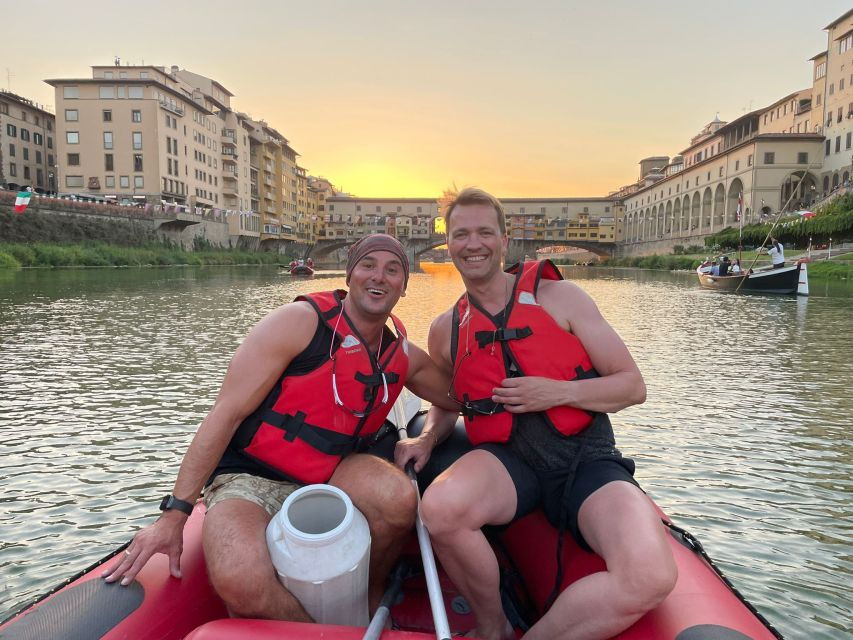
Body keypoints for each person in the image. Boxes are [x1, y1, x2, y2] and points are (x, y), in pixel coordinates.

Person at [103, 234, 459, 622]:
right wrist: (175, 514)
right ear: (349, 274)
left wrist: (429, 436)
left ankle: (369, 595)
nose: (380, 276)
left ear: (404, 287)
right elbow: (226, 413)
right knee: (240, 581)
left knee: (398, 499)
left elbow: (459, 399)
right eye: (368, 265)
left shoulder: (402, 355)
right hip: (249, 475)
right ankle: (320, 632)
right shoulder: (299, 322)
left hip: (332, 469)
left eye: (394, 270)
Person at [396, 188, 676, 640]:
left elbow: (631, 386)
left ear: (505, 241)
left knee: (650, 575)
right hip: (508, 462)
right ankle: (493, 629)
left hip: (585, 459)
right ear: (448, 244)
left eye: (485, 232)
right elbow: (451, 404)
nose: (473, 243)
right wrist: (425, 439)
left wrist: (557, 392)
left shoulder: (562, 298)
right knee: (441, 508)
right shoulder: (446, 330)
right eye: (461, 234)